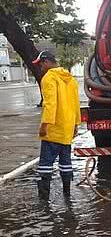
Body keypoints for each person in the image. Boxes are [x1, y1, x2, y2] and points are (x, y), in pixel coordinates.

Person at [33, 50, 81, 200]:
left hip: (53, 129)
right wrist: (75, 125)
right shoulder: (70, 79)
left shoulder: (48, 78)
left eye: (41, 63)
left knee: (45, 165)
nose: (40, 67)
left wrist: (44, 125)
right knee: (65, 163)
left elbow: (50, 104)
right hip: (66, 130)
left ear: (47, 62)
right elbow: (75, 104)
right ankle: (67, 194)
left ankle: (43, 201)